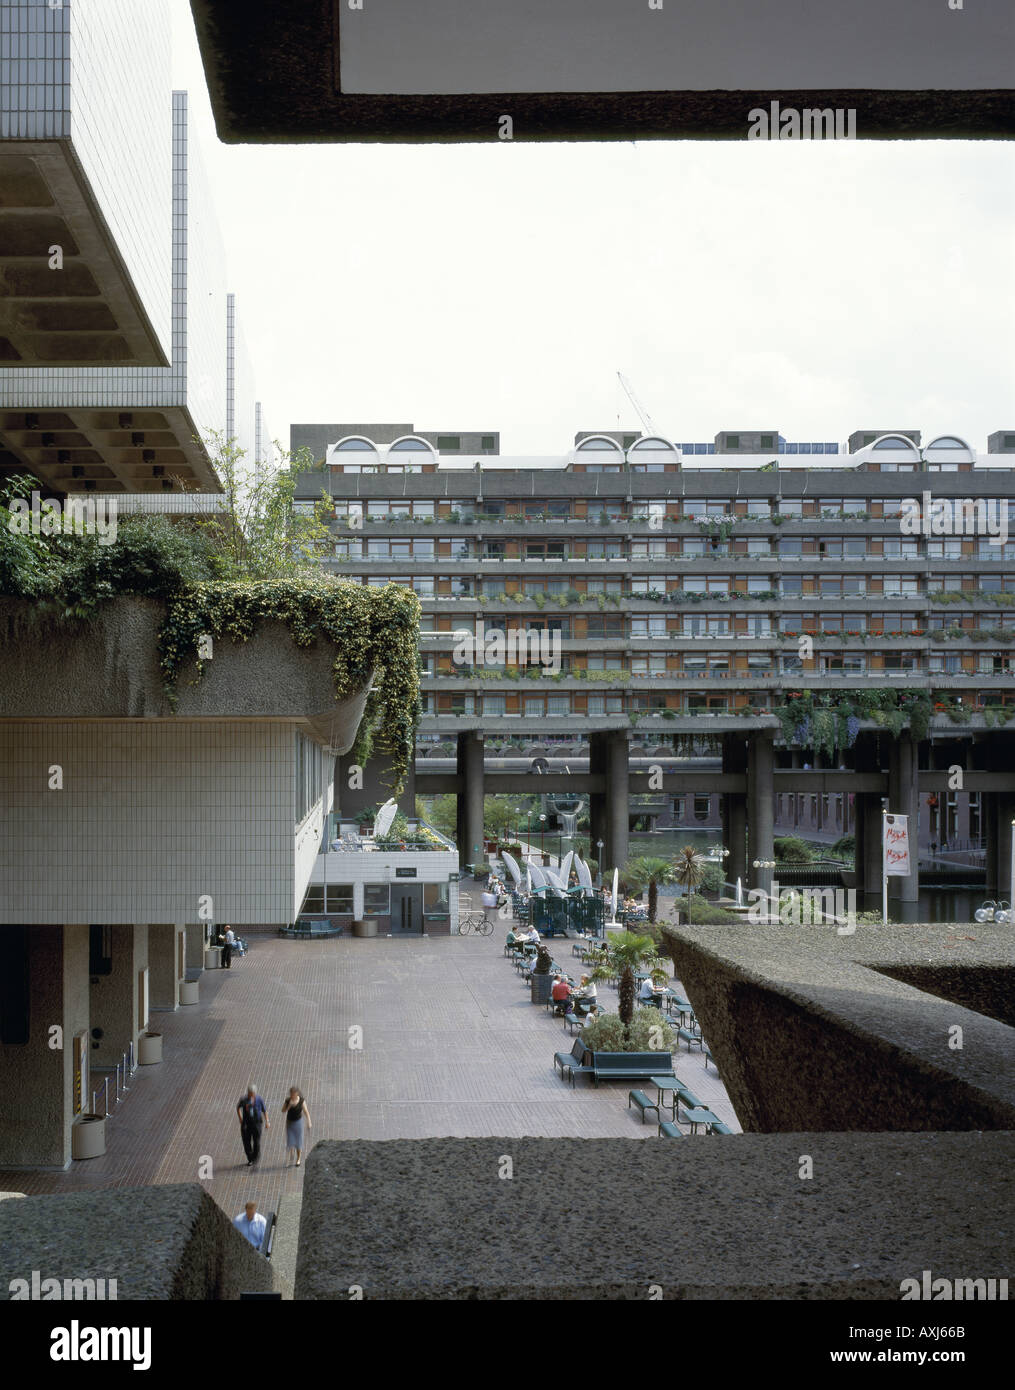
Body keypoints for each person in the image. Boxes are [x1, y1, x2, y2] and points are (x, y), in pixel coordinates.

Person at [237, 1084, 269, 1165]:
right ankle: (250, 1158)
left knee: (256, 1141)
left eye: (253, 1093)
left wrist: (267, 1121)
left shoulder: (259, 1099)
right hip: (246, 1124)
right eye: (251, 1093)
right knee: (246, 1142)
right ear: (248, 1093)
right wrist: (240, 1118)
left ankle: (255, 1156)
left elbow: (264, 1110)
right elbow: (238, 1108)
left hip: (257, 1123)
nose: (252, 1095)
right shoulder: (243, 1099)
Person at [282, 1086, 312, 1167]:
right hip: (289, 1123)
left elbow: (306, 1112)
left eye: (294, 1094)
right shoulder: (288, 1101)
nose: (292, 1096)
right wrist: (289, 1106)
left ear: (297, 1093)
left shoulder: (301, 1100)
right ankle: (289, 1156)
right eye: (291, 1094)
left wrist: (309, 1121)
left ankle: (298, 1158)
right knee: (290, 1141)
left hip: (298, 1123)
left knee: (298, 1142)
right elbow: (283, 1111)